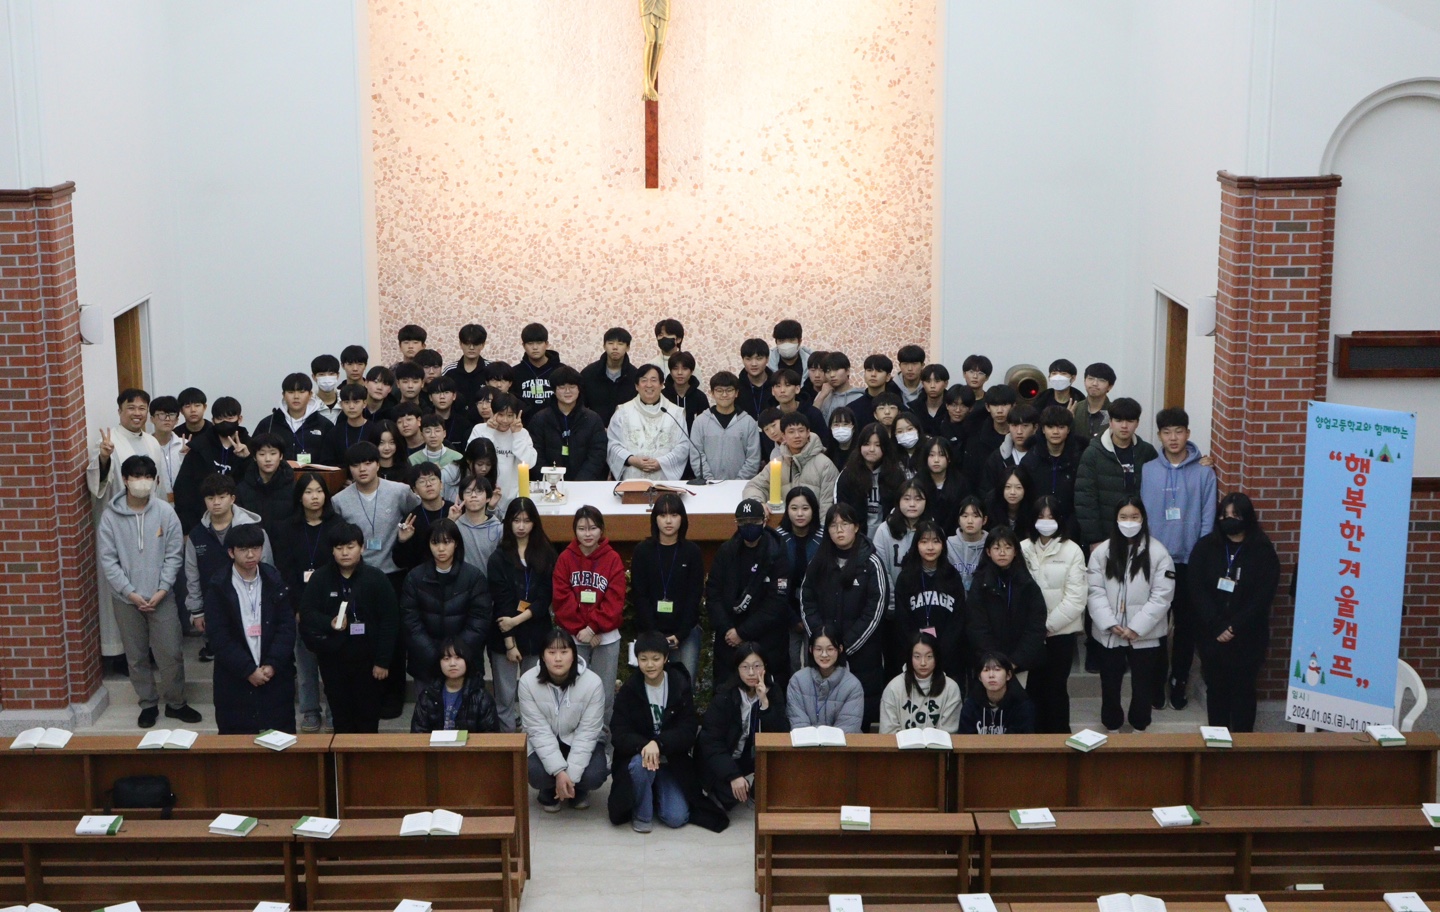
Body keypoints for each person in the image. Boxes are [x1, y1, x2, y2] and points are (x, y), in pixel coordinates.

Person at [97, 455, 199, 728]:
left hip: (161, 597)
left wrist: (163, 588)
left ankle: (176, 703)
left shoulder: (166, 512)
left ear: (155, 481)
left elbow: (174, 554)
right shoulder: (110, 517)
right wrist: (129, 592)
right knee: (136, 655)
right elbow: (108, 560)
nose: (142, 482)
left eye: (147, 477)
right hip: (125, 599)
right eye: (136, 476)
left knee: (171, 653)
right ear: (125, 480)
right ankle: (148, 703)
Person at [331, 441, 422, 716]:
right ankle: (369, 693)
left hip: (393, 573)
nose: (362, 469)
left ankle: (394, 695)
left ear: (378, 464)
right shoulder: (339, 500)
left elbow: (417, 514)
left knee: (393, 637)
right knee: (363, 635)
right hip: (358, 575)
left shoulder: (400, 491)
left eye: (368, 463)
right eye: (356, 464)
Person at [1140, 407, 1218, 710]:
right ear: (1159, 435)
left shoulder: (1204, 472)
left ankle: (1179, 680)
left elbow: (1208, 518)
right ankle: (1156, 679)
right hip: (1157, 562)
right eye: (1167, 432)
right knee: (1156, 624)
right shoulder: (1148, 470)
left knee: (1186, 627)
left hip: (1190, 562)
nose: (1173, 438)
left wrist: (1201, 558)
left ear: (1188, 433)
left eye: (1179, 431)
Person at [1187, 493, 1278, 732]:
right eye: (1224, 515)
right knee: (1216, 690)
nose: (1228, 520)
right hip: (1212, 636)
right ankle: (1217, 740)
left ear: (1247, 517)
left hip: (1247, 637)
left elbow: (1262, 597)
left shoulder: (1262, 551)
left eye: (1235, 515)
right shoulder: (1205, 547)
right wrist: (1216, 624)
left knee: (1243, 691)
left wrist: (1234, 626)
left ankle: (1243, 744)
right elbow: (1196, 588)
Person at [298, 522, 400, 734]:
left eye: (350, 547)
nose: (345, 553)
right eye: (339, 547)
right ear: (332, 550)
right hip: (333, 660)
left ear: (361, 548)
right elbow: (307, 613)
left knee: (368, 720)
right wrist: (329, 622)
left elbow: (390, 621)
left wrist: (382, 661)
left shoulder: (376, 578)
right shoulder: (320, 578)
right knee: (341, 719)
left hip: (369, 662)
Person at [606, 631, 711, 833]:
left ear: (666, 658)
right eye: (643, 659)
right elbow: (619, 732)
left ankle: (654, 791)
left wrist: (660, 743)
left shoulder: (679, 685)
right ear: (637, 660)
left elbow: (688, 729)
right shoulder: (630, 690)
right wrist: (644, 745)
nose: (650, 665)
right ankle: (642, 813)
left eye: (655, 659)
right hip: (639, 759)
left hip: (671, 761)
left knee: (676, 817)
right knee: (640, 765)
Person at [1087, 497, 1175, 733]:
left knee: (1143, 685)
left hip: (1146, 634)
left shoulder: (1159, 553)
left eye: (1134, 517)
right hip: (1110, 633)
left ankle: (1139, 726)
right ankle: (1112, 725)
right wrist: (1110, 623)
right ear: (1116, 519)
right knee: (1110, 684)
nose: (1129, 522)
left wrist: (1137, 627)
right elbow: (1094, 591)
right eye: (1124, 517)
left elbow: (1162, 595)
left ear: (1143, 519)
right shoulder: (1101, 552)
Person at [203, 522, 296, 735]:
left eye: (255, 548)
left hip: (274, 674)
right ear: (231, 552)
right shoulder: (219, 586)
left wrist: (272, 664)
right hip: (235, 677)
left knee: (280, 738)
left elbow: (286, 627)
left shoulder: (274, 579)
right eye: (243, 549)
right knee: (237, 741)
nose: (251, 554)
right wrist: (248, 670)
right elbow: (218, 636)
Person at [801, 503, 888, 727]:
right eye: (833, 525)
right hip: (823, 656)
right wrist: (823, 643)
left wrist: (844, 647)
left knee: (858, 722)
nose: (839, 530)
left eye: (845, 524)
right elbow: (806, 601)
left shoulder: (871, 563)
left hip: (862, 657)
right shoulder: (818, 562)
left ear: (856, 527)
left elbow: (875, 610)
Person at [270, 473, 340, 732]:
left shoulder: (337, 525)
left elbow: (342, 565)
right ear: (299, 497)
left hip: (332, 605)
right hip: (299, 605)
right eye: (308, 492)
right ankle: (310, 711)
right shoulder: (287, 528)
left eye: (319, 491)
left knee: (333, 664)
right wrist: (298, 607)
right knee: (305, 663)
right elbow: (285, 570)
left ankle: (334, 711)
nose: (314, 497)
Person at [184, 473, 274, 663]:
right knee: (224, 662)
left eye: (222, 496)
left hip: (251, 606)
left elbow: (267, 569)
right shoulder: (196, 535)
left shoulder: (254, 530)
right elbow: (192, 576)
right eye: (210, 498)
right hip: (215, 607)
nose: (216, 502)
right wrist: (197, 611)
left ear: (232, 498)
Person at [518, 627, 610, 811]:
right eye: (552, 652)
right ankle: (548, 789)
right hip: (543, 741)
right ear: (543, 656)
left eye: (564, 652)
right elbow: (537, 730)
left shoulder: (593, 683)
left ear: (574, 655)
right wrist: (559, 772)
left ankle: (577, 790)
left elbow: (588, 733)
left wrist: (571, 777)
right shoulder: (527, 681)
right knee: (534, 772)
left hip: (578, 741)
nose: (558, 658)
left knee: (594, 774)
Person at [487, 497, 556, 732]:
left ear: (534, 523)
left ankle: (533, 741)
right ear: (508, 522)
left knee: (534, 693)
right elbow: (501, 601)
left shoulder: (546, 553)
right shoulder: (498, 557)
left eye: (527, 521)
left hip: (536, 631)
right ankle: (508, 742)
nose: (521, 526)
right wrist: (509, 642)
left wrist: (516, 620)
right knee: (505, 696)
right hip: (503, 634)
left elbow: (545, 597)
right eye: (516, 520)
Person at [706, 499, 791, 689]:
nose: (749, 526)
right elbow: (713, 593)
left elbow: (777, 601)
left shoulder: (776, 552)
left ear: (764, 521)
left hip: (768, 641)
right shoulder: (726, 551)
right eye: (743, 522)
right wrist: (728, 631)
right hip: (729, 642)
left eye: (754, 521)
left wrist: (743, 632)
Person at [552, 506, 625, 724]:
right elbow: (561, 598)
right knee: (573, 693)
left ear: (601, 529)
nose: (587, 533)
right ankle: (572, 736)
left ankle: (603, 739)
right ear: (574, 530)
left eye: (593, 528)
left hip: (606, 637)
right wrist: (581, 629)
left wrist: (593, 627)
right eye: (582, 528)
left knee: (604, 694)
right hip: (574, 638)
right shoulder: (565, 558)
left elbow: (615, 599)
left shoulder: (612, 558)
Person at [1020, 496, 1087, 733]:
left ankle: (1059, 740)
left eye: (1051, 516)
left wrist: (1047, 626)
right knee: (1032, 688)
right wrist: (1033, 629)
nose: (1046, 521)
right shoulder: (1022, 548)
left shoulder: (1073, 550)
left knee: (1056, 688)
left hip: (1060, 633)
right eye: (1041, 516)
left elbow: (1076, 598)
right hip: (1029, 635)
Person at [696, 645, 788, 813]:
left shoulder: (773, 691)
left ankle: (755, 791)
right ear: (737, 669)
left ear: (765, 667)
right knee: (730, 798)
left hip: (747, 756)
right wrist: (733, 775)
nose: (751, 673)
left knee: (776, 763)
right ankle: (714, 786)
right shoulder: (725, 695)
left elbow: (780, 734)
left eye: (757, 666)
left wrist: (765, 703)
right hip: (722, 757)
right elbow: (711, 742)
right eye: (745, 667)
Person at [400, 518, 491, 685]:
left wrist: (454, 654)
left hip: (465, 661)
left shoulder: (474, 577)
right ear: (428, 545)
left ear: (456, 543)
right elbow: (411, 623)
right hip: (425, 662)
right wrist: (436, 655)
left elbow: (479, 620)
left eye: (447, 542)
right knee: (426, 702)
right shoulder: (414, 578)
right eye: (435, 543)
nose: (441, 548)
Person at [631, 494, 704, 682]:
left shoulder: (692, 552)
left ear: (682, 518)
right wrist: (655, 635)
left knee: (684, 685)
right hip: (650, 631)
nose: (668, 521)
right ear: (655, 519)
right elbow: (640, 596)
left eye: (674, 515)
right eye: (663, 515)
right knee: (650, 686)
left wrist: (680, 634)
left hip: (685, 632)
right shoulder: (642, 551)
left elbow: (694, 596)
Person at [965, 525, 1047, 680]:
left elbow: (1036, 626)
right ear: (988, 552)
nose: (1002, 553)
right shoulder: (980, 584)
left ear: (1015, 551)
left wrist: (1015, 661)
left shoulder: (1027, 584)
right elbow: (976, 625)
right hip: (987, 663)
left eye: (1008, 548)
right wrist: (994, 660)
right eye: (996, 548)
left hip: (1020, 664)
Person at [1075, 397, 1158, 549]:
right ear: (1111, 422)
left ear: (1137, 423)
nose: (1124, 426)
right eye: (1119, 420)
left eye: (1130, 421)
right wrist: (1094, 539)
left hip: (1139, 535)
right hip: (1104, 537)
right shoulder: (1093, 453)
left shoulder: (1146, 452)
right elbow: (1085, 500)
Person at [893, 520, 966, 679]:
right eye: (924, 542)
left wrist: (940, 651)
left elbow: (958, 619)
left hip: (949, 657)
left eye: (936, 541)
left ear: (943, 545)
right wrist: (918, 651)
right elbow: (902, 621)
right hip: (915, 656)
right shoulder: (906, 578)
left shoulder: (952, 576)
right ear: (916, 545)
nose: (930, 547)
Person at [742, 412, 838, 516]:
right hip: (784, 522)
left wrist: (822, 526)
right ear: (783, 435)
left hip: (815, 524)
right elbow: (754, 486)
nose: (797, 436)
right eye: (791, 432)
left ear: (808, 432)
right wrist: (758, 504)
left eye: (801, 431)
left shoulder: (825, 465)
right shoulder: (776, 464)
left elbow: (827, 505)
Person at [607, 364, 691, 480]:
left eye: (654, 380)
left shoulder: (675, 413)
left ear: (661, 385)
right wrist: (633, 460)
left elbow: (683, 446)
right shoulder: (623, 412)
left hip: (664, 481)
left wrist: (661, 462)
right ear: (636, 386)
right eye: (644, 380)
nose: (649, 385)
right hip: (632, 479)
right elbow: (613, 444)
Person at [528, 365, 608, 481]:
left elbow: (598, 454)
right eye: (562, 387)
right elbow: (535, 453)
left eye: (572, 386)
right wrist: (551, 479)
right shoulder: (540, 419)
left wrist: (580, 482)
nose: (567, 391)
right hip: (549, 483)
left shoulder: (593, 419)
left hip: (585, 484)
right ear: (554, 390)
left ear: (579, 389)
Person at [410, 636, 500, 734]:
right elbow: (418, 733)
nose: (452, 664)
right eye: (446, 658)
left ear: (467, 661)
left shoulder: (481, 697)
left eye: (458, 658)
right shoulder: (428, 695)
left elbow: (490, 735)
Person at [776, 486, 823, 674]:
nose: (800, 514)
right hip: (785, 612)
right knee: (790, 664)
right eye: (794, 508)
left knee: (815, 665)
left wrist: (810, 616)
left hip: (817, 613)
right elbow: (775, 584)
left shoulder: (824, 538)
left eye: (805, 508)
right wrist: (792, 617)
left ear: (814, 510)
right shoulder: (778, 539)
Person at [786, 625, 865, 733]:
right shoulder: (797, 681)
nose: (824, 654)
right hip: (805, 742)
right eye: (818, 649)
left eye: (830, 649)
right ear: (811, 650)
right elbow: (798, 722)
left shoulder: (852, 686)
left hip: (842, 743)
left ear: (840, 649)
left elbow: (848, 727)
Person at [1020, 404, 1087, 532]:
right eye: (1050, 427)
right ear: (1043, 429)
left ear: (1068, 430)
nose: (1055, 432)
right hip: (1036, 527)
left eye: (1061, 427)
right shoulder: (1030, 460)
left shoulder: (1080, 460)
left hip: (1071, 529)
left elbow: (1083, 499)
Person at [467, 392, 536, 515]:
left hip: (513, 498)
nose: (505, 420)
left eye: (510, 415)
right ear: (492, 412)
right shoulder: (479, 430)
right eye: (500, 414)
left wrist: (517, 435)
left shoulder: (522, 433)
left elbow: (530, 462)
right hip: (483, 497)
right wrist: (489, 432)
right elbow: (473, 458)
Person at [834, 423, 906, 538]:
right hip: (856, 537)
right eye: (867, 444)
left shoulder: (896, 475)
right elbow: (841, 510)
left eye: (878, 445)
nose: (872, 449)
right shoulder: (848, 475)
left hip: (888, 536)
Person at [879, 632, 961, 734]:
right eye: (917, 656)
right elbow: (888, 732)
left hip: (938, 744)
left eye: (929, 656)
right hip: (901, 744)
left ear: (937, 658)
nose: (923, 663)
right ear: (910, 658)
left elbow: (949, 733)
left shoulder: (950, 688)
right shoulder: (894, 687)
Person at [252, 373, 337, 466]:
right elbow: (254, 455)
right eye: (291, 392)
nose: (296, 396)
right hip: (277, 475)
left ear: (310, 394)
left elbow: (331, 460)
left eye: (301, 392)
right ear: (283, 395)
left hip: (313, 475)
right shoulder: (268, 424)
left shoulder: (324, 425)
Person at [689, 371, 760, 482]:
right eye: (719, 390)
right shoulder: (700, 422)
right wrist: (709, 480)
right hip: (708, 485)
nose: (724, 395)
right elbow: (696, 455)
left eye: (729, 390)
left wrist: (738, 482)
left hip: (740, 486)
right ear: (712, 393)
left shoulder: (748, 422)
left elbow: (753, 458)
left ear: (736, 393)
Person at [957, 651, 1036, 735]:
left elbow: (1024, 738)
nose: (991, 675)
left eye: (997, 669)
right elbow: (965, 738)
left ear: (1008, 675)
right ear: (980, 677)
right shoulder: (971, 706)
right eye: (986, 670)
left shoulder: (1021, 706)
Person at [961, 383, 1015, 492]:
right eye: (995, 405)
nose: (999, 410)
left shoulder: (1020, 437)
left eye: (1004, 404)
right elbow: (970, 476)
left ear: (1013, 406)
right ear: (987, 407)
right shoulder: (976, 438)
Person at [235, 433, 297, 528]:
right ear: (254, 457)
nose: (268, 459)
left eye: (273, 453)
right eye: (262, 454)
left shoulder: (293, 488)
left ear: (281, 456)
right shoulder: (242, 489)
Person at [579, 327, 639, 425]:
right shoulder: (588, 373)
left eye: (620, 344)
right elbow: (580, 407)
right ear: (604, 346)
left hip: (626, 430)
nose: (615, 347)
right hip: (594, 429)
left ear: (628, 347)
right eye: (610, 343)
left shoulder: (635, 376)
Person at [981, 404, 1038, 501]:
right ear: (1009, 426)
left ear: (1035, 428)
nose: (1019, 431)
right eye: (1014, 425)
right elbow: (986, 491)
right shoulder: (997, 458)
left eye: (1025, 426)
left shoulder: (1042, 456)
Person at [452, 473, 505, 572]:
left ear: (488, 498)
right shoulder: (455, 526)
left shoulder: (498, 528)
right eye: (468, 492)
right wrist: (450, 520)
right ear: (461, 498)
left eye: (479, 491)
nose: (473, 495)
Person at [513, 322, 564, 421]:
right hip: (523, 427)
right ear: (523, 345)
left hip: (555, 426)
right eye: (530, 343)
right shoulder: (514, 373)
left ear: (546, 344)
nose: (535, 347)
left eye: (539, 343)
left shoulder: (561, 371)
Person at [918, 436, 968, 535]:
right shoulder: (918, 482)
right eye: (931, 455)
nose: (936, 460)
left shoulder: (960, 483)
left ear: (949, 458)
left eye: (941, 455)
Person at [410, 413, 464, 501]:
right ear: (422, 434)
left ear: (444, 433)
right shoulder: (413, 460)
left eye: (437, 431)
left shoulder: (457, 458)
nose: (433, 435)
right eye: (428, 431)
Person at [442, 323, 492, 407]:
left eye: (475, 344)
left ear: (483, 345)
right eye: (467, 343)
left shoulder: (491, 369)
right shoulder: (450, 370)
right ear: (460, 344)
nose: (471, 348)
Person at [945, 496, 989, 592]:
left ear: (984, 520)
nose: (970, 521)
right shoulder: (948, 545)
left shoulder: (990, 545)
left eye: (975, 516)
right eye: (965, 516)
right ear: (958, 520)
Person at [985, 465, 1036, 540]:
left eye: (1018, 487)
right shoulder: (991, 503)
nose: (1012, 492)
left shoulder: (1033, 506)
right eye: (1008, 487)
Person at [663, 351, 709, 431]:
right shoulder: (662, 396)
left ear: (691, 371)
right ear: (670, 371)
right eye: (675, 368)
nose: (680, 373)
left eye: (685, 369)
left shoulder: (700, 397)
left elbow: (706, 426)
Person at [1071, 362, 1116, 441]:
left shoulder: (1115, 411)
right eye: (1090, 378)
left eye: (1101, 380)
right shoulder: (1075, 409)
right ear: (1084, 381)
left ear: (1110, 386)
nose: (1094, 383)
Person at [737, 338, 776, 420]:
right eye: (748, 359)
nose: (754, 364)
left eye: (759, 358)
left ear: (767, 359)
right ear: (743, 360)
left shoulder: (777, 385)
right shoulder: (736, 387)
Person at [819, 352, 864, 420]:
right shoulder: (822, 396)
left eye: (836, 369)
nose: (832, 375)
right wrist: (821, 397)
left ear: (848, 371)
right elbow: (811, 420)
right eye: (828, 371)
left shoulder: (859, 398)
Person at [915, 364, 951, 436]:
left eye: (937, 381)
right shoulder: (914, 409)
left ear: (946, 383)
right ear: (922, 383)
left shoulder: (953, 408)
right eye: (928, 381)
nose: (932, 386)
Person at [310, 354, 344, 424]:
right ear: (314, 377)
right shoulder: (309, 403)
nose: (327, 378)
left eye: (331, 374)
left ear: (338, 375)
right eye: (321, 374)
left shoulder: (346, 398)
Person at [824, 406, 857, 472]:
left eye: (845, 424)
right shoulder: (826, 454)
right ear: (831, 428)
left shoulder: (861, 453)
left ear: (853, 428)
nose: (841, 428)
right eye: (836, 425)